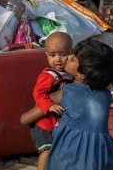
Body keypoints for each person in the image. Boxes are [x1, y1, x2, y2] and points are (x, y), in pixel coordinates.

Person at [22, 38, 113, 169]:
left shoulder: (66, 93)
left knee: (46, 151)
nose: (67, 58)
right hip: (103, 158)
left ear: (82, 74)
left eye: (72, 58)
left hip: (70, 158)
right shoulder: (106, 95)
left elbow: (25, 119)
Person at [26, 32, 74, 170]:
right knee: (47, 151)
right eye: (53, 55)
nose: (58, 59)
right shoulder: (49, 75)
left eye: (63, 55)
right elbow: (38, 93)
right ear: (46, 55)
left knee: (59, 151)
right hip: (43, 122)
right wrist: (50, 106)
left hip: (57, 122)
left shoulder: (69, 75)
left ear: (71, 54)